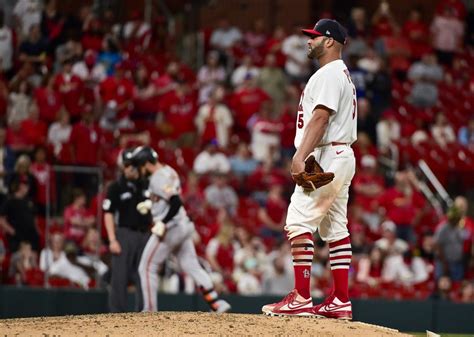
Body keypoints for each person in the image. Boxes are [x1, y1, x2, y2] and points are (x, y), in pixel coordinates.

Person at [261, 19, 356, 319]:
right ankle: (340, 299)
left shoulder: (328, 73)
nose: (309, 41)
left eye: (314, 37)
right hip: (342, 155)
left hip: (327, 153)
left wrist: (300, 156)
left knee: (298, 221)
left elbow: (320, 117)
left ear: (329, 42)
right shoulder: (341, 74)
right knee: (335, 228)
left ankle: (301, 296)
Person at [130, 146, 231, 313]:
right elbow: (168, 198)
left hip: (172, 227)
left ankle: (149, 310)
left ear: (147, 163)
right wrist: (151, 204)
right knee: (192, 265)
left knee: (147, 266)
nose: (140, 170)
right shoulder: (169, 171)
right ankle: (217, 304)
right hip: (184, 226)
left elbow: (176, 202)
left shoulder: (157, 178)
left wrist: (163, 221)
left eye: (140, 166)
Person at [103, 149, 151, 312]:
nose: (131, 168)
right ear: (122, 166)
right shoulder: (116, 187)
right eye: (127, 165)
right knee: (119, 275)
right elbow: (108, 213)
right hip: (124, 234)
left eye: (134, 164)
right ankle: (117, 315)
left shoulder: (147, 184)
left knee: (144, 274)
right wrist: (112, 239)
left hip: (145, 234)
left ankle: (145, 312)